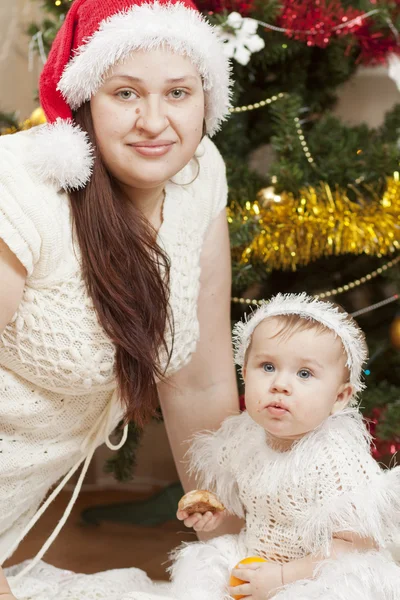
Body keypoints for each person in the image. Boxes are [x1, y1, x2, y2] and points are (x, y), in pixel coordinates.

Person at [0, 0, 239, 597]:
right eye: (125, 93)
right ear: (83, 100)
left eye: (178, 93)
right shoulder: (22, 194)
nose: (155, 123)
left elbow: (201, 380)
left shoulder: (199, 173)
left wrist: (235, 548)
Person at [171, 293, 400, 600]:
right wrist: (215, 512)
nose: (280, 384)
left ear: (340, 397)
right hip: (261, 556)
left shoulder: (334, 459)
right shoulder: (245, 438)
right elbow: (252, 502)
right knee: (201, 565)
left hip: (319, 570)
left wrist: (283, 577)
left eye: (304, 374)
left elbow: (355, 545)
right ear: (244, 373)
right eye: (267, 367)